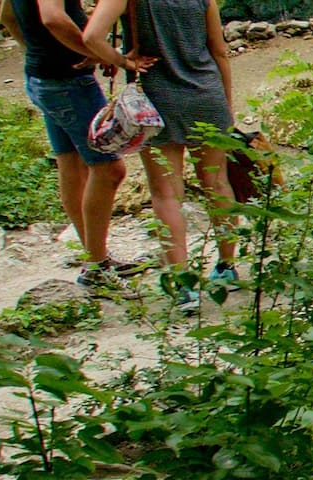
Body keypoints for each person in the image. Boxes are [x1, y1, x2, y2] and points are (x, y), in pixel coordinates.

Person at [80, 0, 237, 314]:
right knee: (217, 182)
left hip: (157, 100)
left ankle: (184, 286)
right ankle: (226, 266)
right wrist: (227, 105)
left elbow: (91, 36)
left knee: (166, 194)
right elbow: (219, 51)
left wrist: (124, 62)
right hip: (207, 94)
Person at [0, 0, 153, 289]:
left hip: (42, 75)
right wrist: (103, 54)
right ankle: (95, 266)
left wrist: (37, 52)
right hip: (67, 82)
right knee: (109, 169)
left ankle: (95, 257)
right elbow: (53, 18)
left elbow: (8, 17)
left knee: (71, 165)